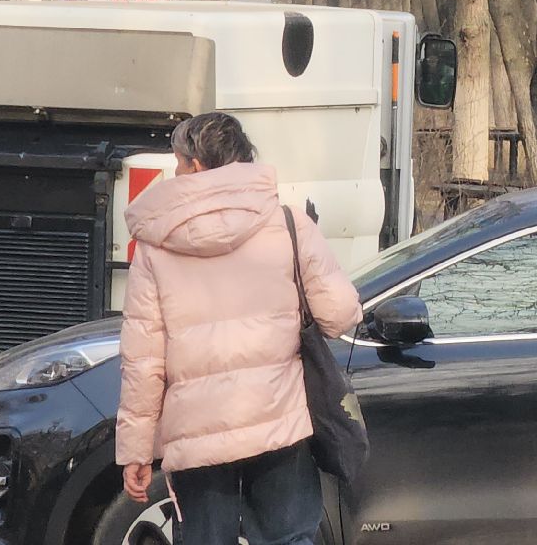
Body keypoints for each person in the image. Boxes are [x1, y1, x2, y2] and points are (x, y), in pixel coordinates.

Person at [116, 112, 362, 545]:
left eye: (177, 163)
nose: (174, 173)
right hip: (277, 420)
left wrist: (136, 451)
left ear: (195, 165)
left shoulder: (155, 245)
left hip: (196, 435)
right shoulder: (287, 223)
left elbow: (143, 362)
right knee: (289, 539)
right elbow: (340, 315)